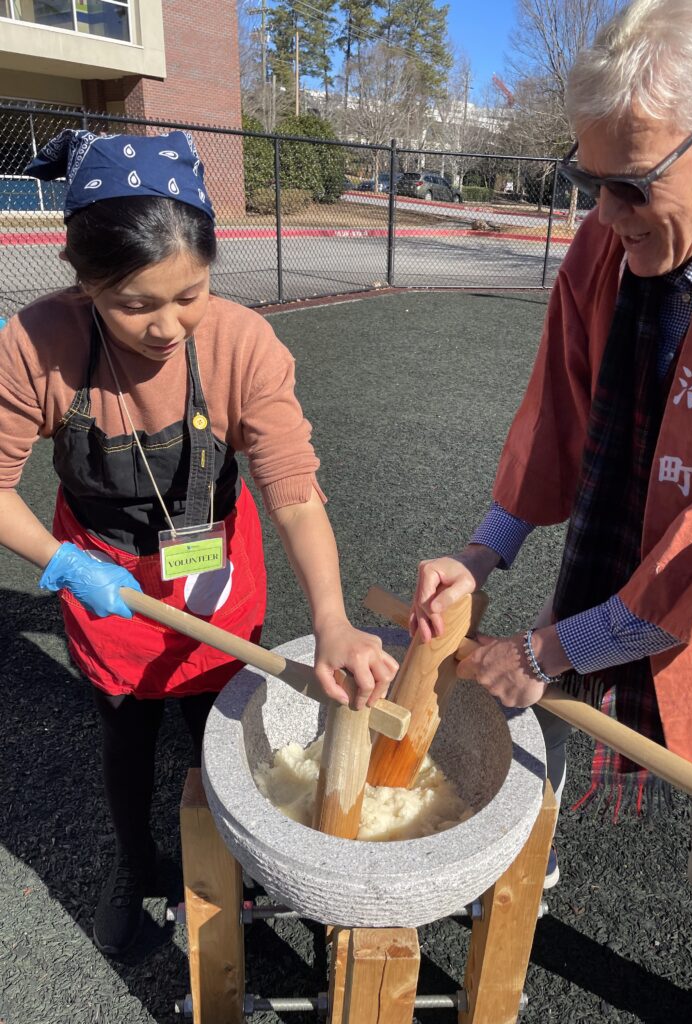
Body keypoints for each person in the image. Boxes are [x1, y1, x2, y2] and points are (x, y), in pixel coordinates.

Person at [411, 1, 692, 1021]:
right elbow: (557, 411)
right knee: (531, 750)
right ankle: (520, 889)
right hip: (626, 565)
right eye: (587, 180)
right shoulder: (612, 246)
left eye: (631, 184)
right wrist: (483, 555)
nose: (603, 212)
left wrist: (545, 652)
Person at [0, 128, 397, 958]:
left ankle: (239, 855)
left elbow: (291, 485)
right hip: (103, 567)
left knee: (218, 716)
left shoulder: (240, 341)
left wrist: (330, 617)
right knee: (125, 724)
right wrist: (60, 563)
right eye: (134, 304)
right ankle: (137, 860)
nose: (168, 326)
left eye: (190, 293)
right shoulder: (38, 344)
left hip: (211, 559)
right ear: (85, 282)